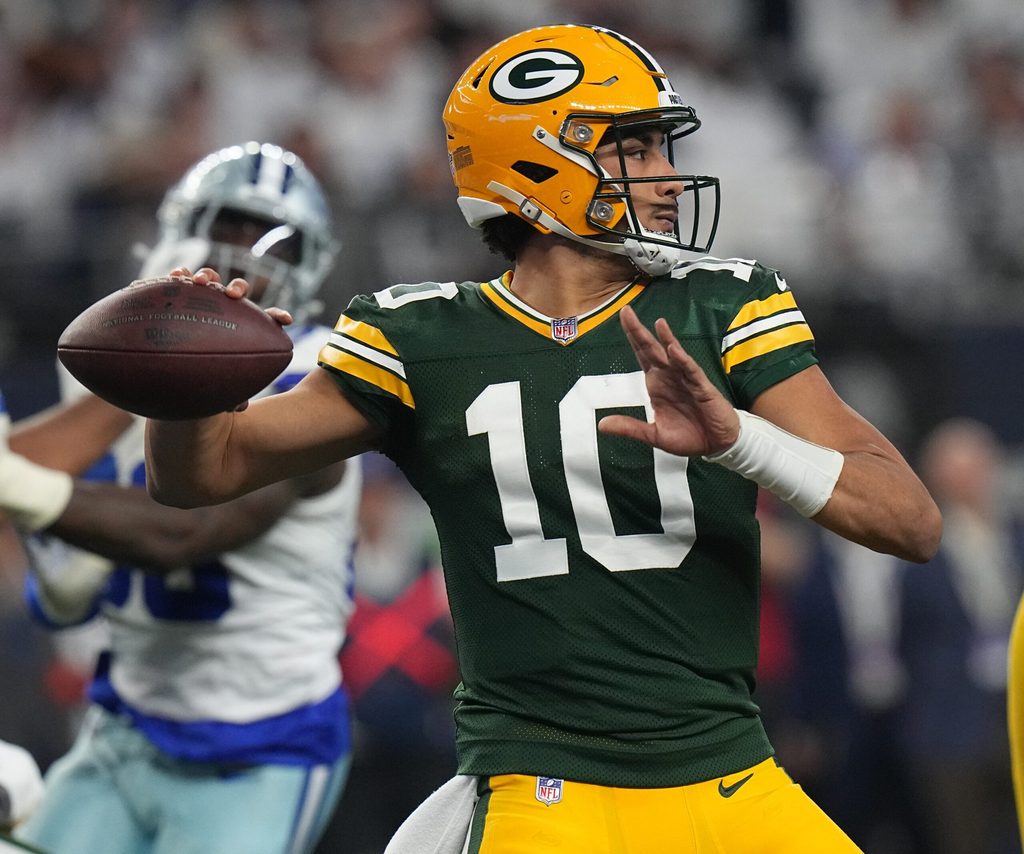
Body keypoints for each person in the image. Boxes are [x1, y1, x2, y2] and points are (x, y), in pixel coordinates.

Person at [143, 26, 941, 853]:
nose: (668, 179)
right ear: (536, 167)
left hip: (731, 772)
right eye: (638, 151)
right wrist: (184, 382)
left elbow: (910, 522)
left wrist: (742, 441)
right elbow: (201, 473)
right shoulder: (420, 335)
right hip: (544, 792)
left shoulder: (722, 306)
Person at [5, 142, 362, 854]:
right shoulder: (120, 356)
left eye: (265, 243)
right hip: (127, 725)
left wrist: (19, 487)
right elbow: (33, 474)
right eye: (222, 228)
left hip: (259, 744)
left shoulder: (315, 382)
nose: (237, 262)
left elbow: (184, 531)